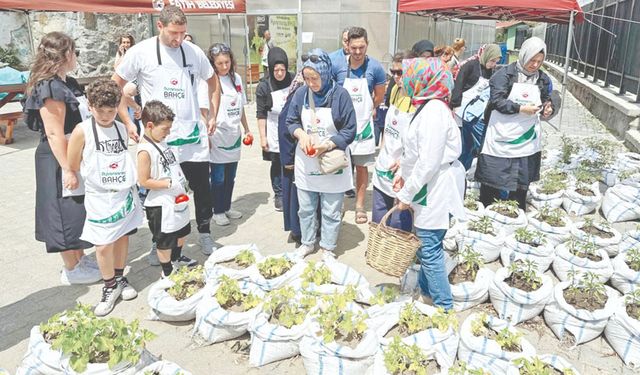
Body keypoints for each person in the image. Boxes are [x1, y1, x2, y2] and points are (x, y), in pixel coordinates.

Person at [113, 5, 220, 256]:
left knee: (201, 189)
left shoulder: (193, 52)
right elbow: (115, 86)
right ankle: (160, 242)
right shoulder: (140, 52)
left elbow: (212, 81)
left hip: (192, 138)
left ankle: (204, 232)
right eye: (174, 33)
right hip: (159, 142)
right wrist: (127, 122)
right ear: (159, 26)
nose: (179, 39)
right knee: (159, 192)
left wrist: (212, 113)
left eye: (183, 33)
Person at [23, 31, 101, 285]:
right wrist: (67, 168)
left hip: (72, 151)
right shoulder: (49, 86)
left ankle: (79, 257)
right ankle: (71, 267)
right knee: (62, 210)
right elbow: (54, 132)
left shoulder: (68, 82)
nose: (76, 56)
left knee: (74, 209)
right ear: (64, 54)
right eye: (74, 51)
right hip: (58, 157)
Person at [392, 57, 466, 310]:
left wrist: (406, 192)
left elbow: (429, 162)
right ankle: (426, 292)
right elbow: (415, 153)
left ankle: (444, 306)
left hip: (435, 186)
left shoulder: (433, 111)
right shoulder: (425, 106)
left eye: (408, 74)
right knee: (427, 243)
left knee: (430, 246)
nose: (403, 79)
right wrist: (402, 172)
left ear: (423, 80)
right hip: (428, 184)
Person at [67, 78, 144, 316]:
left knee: (122, 236)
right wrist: (74, 174)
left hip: (123, 195)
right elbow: (72, 162)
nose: (105, 116)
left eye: (111, 111)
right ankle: (109, 285)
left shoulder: (121, 128)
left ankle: (120, 278)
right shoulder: (83, 130)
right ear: (90, 106)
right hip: (100, 196)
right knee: (102, 245)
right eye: (100, 111)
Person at [287, 48, 356, 259]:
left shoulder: (340, 96)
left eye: (314, 78)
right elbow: (291, 121)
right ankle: (307, 243)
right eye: (307, 78)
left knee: (331, 210)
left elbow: (350, 129)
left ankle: (327, 247)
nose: (310, 83)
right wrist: (300, 135)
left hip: (331, 161)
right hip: (307, 162)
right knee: (306, 208)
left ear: (325, 73)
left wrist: (327, 145)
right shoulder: (301, 94)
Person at [475, 37, 555, 210]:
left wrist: (548, 108)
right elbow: (497, 100)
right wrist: (520, 108)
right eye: (532, 60)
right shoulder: (503, 75)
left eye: (539, 62)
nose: (535, 65)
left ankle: (516, 210)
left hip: (525, 137)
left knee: (521, 176)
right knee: (494, 174)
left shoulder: (543, 79)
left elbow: (546, 99)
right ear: (523, 55)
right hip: (501, 133)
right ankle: (487, 208)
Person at [332, 27, 386, 224]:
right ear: (347, 45)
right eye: (353, 47)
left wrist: (372, 108)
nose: (357, 52)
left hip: (363, 127)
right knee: (339, 166)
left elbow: (379, 95)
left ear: (367, 45)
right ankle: (337, 205)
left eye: (361, 47)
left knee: (362, 168)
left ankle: (360, 206)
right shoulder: (337, 65)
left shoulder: (376, 68)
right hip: (341, 126)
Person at [137, 100, 194, 279]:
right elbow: (143, 181)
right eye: (165, 129)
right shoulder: (145, 150)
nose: (168, 133)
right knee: (165, 240)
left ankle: (177, 259)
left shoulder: (161, 141)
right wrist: (166, 183)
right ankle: (167, 272)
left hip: (177, 198)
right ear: (150, 125)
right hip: (161, 204)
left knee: (182, 231)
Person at [202, 43, 250, 226]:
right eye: (220, 63)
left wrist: (247, 128)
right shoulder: (208, 81)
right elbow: (205, 110)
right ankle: (218, 210)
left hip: (234, 134)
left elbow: (241, 107)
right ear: (213, 64)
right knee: (218, 177)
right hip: (217, 134)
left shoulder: (236, 78)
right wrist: (206, 135)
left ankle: (227, 206)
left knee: (231, 175)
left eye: (227, 62)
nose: (224, 66)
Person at [371, 51, 413, 232]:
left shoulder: (416, 99)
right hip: (385, 160)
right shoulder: (394, 90)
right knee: (379, 211)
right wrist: (382, 150)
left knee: (398, 218)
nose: (396, 77)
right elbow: (388, 128)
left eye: (400, 73)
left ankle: (396, 254)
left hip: (401, 164)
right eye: (393, 72)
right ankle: (379, 246)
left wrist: (403, 161)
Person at [451, 44, 502, 170]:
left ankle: (463, 170)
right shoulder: (470, 66)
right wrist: (454, 105)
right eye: (492, 60)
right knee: (466, 143)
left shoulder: (492, 71)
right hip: (461, 111)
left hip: (478, 113)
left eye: (496, 61)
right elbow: (459, 85)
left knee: (469, 145)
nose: (493, 64)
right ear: (486, 56)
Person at [256, 47, 293, 211]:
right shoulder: (264, 86)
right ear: (271, 69)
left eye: (282, 69)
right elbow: (261, 114)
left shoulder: (293, 81)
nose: (279, 73)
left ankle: (291, 191)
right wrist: (263, 138)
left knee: (292, 162)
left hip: (291, 128)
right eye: (276, 70)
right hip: (273, 128)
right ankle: (279, 194)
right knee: (277, 163)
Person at [278, 72, 306, 246]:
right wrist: (289, 159)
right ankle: (297, 231)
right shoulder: (299, 94)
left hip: (302, 155)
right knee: (295, 196)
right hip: (293, 158)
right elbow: (285, 125)